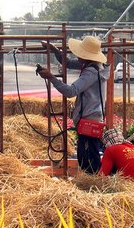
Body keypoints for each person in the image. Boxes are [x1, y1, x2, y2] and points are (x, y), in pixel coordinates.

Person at [38, 35, 110, 174]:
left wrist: (51, 78)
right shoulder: (94, 66)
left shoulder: (91, 72)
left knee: (88, 155)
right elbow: (68, 63)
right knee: (87, 152)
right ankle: (91, 179)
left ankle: (92, 180)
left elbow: (71, 91)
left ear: (87, 56)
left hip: (89, 117)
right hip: (92, 116)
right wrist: (54, 50)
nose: (78, 56)